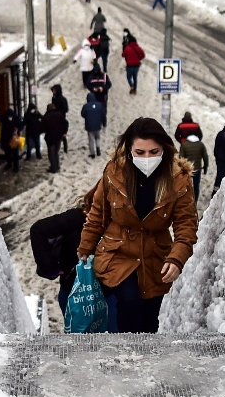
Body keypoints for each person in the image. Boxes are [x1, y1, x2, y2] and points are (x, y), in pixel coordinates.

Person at [76, 118, 198, 334]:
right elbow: (98, 214)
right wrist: (86, 247)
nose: (147, 158)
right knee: (129, 303)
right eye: (140, 152)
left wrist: (177, 258)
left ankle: (148, 358)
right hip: (119, 252)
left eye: (154, 151)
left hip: (155, 257)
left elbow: (186, 225)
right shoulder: (114, 172)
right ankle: (127, 353)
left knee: (150, 317)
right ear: (129, 150)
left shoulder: (178, 179)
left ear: (164, 149)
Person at [30, 200, 89, 319]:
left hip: (109, 295)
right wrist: (50, 268)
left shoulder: (121, 221)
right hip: (74, 294)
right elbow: (37, 230)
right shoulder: (77, 217)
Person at [179, 132, 208, 201]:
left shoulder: (184, 145)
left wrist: (180, 169)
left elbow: (181, 158)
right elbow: (205, 157)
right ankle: (195, 202)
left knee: (186, 185)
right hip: (197, 169)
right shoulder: (200, 144)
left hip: (187, 169)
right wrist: (205, 167)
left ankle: (186, 201)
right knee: (196, 186)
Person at [42, 100, 68, 174]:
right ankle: (57, 166)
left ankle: (54, 168)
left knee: (51, 153)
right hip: (58, 137)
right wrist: (64, 132)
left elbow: (42, 128)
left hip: (50, 138)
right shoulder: (59, 115)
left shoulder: (45, 117)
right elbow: (66, 123)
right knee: (56, 152)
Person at [81, 88, 107, 158]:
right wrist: (104, 123)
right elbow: (103, 115)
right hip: (98, 125)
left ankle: (92, 153)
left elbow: (82, 114)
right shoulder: (100, 105)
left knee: (91, 139)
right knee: (98, 137)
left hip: (89, 126)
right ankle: (98, 147)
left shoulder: (86, 106)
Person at [0, 104, 23, 176]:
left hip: (13, 139)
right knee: (7, 153)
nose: (10, 118)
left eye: (11, 116)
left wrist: (18, 129)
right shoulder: (4, 118)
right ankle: (9, 164)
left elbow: (21, 124)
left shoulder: (16, 119)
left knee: (15, 154)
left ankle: (16, 167)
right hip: (5, 138)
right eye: (9, 116)